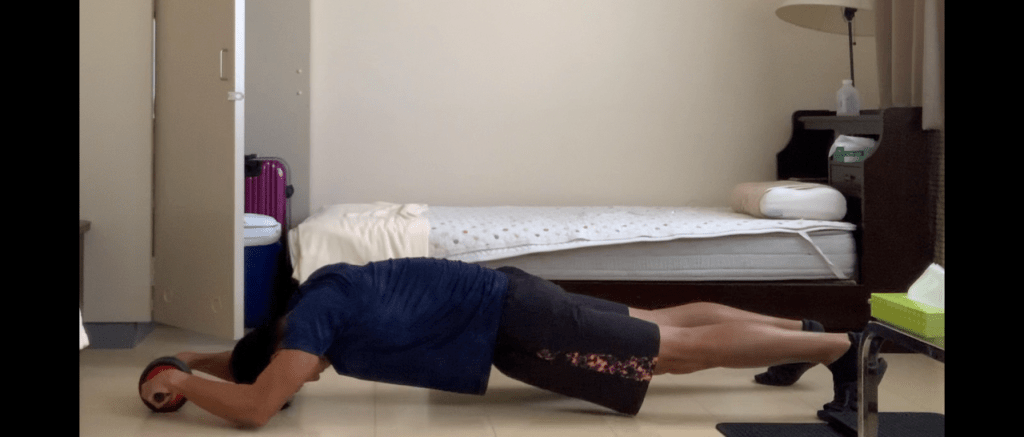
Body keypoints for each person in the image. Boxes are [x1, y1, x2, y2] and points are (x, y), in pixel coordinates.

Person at [139, 258, 881, 428]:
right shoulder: (314, 297)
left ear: (283, 349)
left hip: (519, 319)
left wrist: (183, 382)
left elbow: (256, 405)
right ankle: (797, 335)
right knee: (666, 319)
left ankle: (841, 350)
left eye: (299, 372)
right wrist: (189, 361)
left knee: (672, 348)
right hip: (511, 302)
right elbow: (253, 366)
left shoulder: (308, 326)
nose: (309, 376)